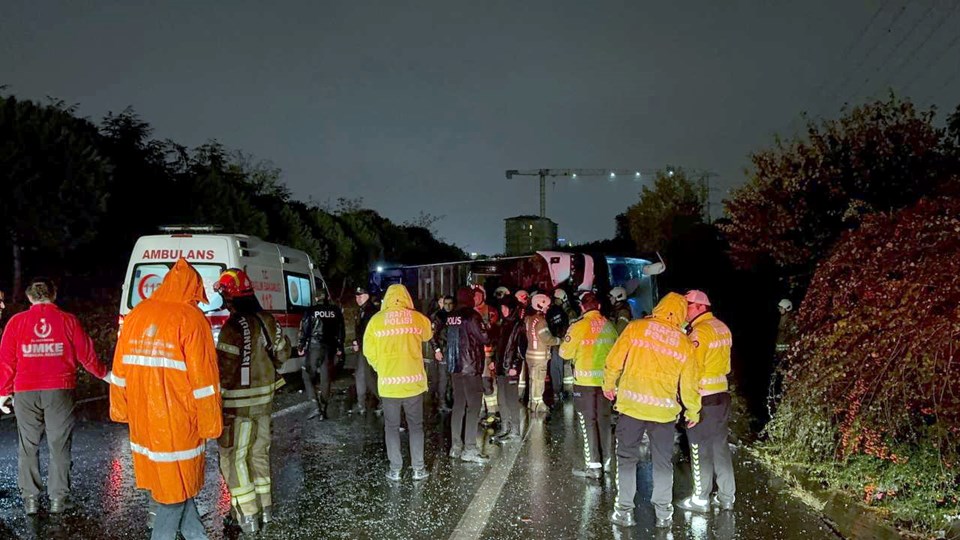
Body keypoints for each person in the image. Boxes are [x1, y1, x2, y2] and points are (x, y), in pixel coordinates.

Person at [110, 259, 222, 539]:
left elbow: (119, 371)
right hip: (178, 425)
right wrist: (211, 425)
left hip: (144, 423)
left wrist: (121, 409)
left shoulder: (137, 315)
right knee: (173, 498)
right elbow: (205, 383)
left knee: (177, 489)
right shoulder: (192, 319)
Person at [0, 277, 108, 515]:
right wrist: (105, 375)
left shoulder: (16, 322)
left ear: (29, 297)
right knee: (59, 445)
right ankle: (58, 499)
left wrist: (3, 393)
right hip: (59, 391)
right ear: (54, 294)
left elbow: (7, 361)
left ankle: (30, 500)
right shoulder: (67, 320)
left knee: (28, 447)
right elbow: (86, 353)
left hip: (25, 392)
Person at [603, 292, 700, 529]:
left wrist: (609, 384)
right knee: (663, 462)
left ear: (658, 307)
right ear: (680, 314)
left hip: (632, 407)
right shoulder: (685, 343)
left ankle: (624, 510)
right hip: (664, 413)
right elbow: (689, 383)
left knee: (626, 458)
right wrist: (693, 411)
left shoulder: (636, 328)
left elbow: (615, 359)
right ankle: (664, 514)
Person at [214, 269, 291, 532]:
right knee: (259, 454)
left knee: (234, 458)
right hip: (264, 404)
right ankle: (265, 509)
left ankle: (247, 516)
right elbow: (283, 352)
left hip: (237, 409)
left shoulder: (232, 327)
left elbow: (223, 370)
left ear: (230, 297)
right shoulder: (267, 320)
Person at [362, 284, 433, 480]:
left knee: (391, 427)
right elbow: (428, 334)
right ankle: (418, 468)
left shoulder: (376, 321)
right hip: (413, 383)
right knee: (416, 426)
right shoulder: (416, 317)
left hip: (389, 384)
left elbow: (368, 351)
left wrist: (380, 367)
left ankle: (395, 469)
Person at [678, 290, 736, 513]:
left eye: (689, 306)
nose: (686, 310)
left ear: (701, 307)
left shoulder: (698, 333)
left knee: (698, 447)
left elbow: (691, 371)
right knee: (720, 446)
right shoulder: (722, 327)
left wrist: (688, 402)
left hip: (703, 397)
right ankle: (726, 496)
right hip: (722, 394)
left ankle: (701, 498)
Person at [559, 292, 618, 478]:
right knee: (605, 422)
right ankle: (607, 461)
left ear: (582, 307)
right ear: (599, 306)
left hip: (585, 383)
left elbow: (564, 354)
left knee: (588, 423)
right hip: (606, 383)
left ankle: (593, 466)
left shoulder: (578, 326)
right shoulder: (609, 326)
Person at [443, 287, 490, 463]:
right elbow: (484, 337)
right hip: (470, 368)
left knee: (458, 405)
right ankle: (470, 447)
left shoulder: (451, 316)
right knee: (474, 406)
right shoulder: (472, 316)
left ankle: (456, 446)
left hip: (455, 367)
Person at [297, 288, 345, 420]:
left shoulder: (311, 311)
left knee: (306, 374)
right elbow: (341, 330)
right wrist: (340, 347)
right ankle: (323, 408)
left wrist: (301, 345)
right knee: (325, 377)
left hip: (315, 347)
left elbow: (305, 329)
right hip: (330, 348)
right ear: (326, 297)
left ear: (316, 298)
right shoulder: (335, 311)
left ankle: (315, 406)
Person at [492, 295, 525, 443]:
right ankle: (505, 427)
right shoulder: (503, 324)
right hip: (500, 368)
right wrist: (494, 361)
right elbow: (499, 347)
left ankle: (515, 431)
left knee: (511, 400)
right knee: (501, 399)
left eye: (505, 308)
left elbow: (521, 348)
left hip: (510, 369)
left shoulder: (518, 325)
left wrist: (514, 366)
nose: (502, 310)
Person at [524, 293, 559, 413]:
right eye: (546, 305)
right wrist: (560, 340)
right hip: (540, 356)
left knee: (532, 379)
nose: (548, 308)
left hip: (530, 355)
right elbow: (547, 338)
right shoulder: (542, 321)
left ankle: (532, 402)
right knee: (539, 379)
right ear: (540, 305)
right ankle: (538, 404)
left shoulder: (528, 319)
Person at [351, 287, 380, 415]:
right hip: (363, 348)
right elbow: (359, 330)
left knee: (369, 377)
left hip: (371, 349)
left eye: (361, 296)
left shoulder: (372, 311)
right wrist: (356, 342)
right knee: (361, 375)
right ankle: (361, 404)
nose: (358, 299)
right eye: (357, 296)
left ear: (367, 296)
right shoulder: (361, 310)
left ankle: (383, 401)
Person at [473, 286, 500, 421]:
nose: (475, 298)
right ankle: (481, 409)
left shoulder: (491, 311)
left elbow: (494, 332)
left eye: (478, 295)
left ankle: (492, 412)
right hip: (474, 354)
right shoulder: (470, 312)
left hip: (487, 354)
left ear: (483, 296)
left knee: (487, 382)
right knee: (477, 382)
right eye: (473, 296)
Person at [547, 289, 574, 404]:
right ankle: (565, 392)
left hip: (557, 343)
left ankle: (559, 392)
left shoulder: (550, 312)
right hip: (564, 343)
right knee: (564, 367)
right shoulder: (569, 311)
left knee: (557, 368)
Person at [429, 295, 455, 410]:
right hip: (444, 350)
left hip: (453, 351)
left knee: (450, 378)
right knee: (443, 378)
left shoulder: (455, 315)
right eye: (446, 303)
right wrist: (437, 350)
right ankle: (441, 402)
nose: (448, 306)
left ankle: (447, 399)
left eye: (450, 304)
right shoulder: (438, 316)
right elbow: (432, 335)